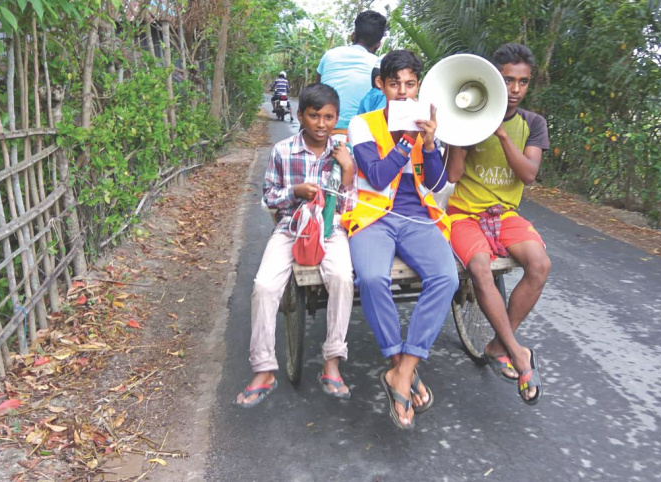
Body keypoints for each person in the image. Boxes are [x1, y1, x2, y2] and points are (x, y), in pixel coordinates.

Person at [343, 50, 459, 429]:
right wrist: (407, 142)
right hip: (374, 217)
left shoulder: (426, 126)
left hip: (416, 217)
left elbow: (437, 184)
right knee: (373, 279)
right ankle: (398, 364)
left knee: (447, 278)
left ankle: (405, 370)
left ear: (418, 86)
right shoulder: (362, 124)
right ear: (381, 84)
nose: (403, 92)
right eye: (395, 84)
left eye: (410, 85)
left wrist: (429, 145)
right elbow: (375, 177)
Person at [235, 83, 356, 408]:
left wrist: (347, 169)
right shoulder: (283, 151)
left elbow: (349, 205)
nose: (321, 124)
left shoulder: (343, 154)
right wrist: (295, 192)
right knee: (263, 286)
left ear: (336, 118)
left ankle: (332, 361)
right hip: (290, 229)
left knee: (343, 278)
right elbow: (269, 197)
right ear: (300, 115)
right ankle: (263, 369)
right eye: (314, 116)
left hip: (329, 230)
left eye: (328, 117)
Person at [445, 43, 550, 405]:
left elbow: (529, 174)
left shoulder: (532, 124)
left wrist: (501, 133)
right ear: (493, 80)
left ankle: (497, 344)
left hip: (505, 214)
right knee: (479, 267)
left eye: (523, 81)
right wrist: (459, 139)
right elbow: (454, 175)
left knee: (540, 265)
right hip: (464, 213)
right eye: (507, 80)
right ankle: (518, 353)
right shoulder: (467, 119)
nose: (516, 89)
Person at [317, 10, 387, 134]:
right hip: (360, 135)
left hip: (323, 129)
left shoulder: (329, 55)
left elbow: (316, 90)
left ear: (353, 36)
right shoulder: (380, 67)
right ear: (378, 45)